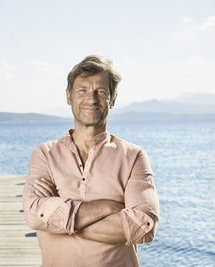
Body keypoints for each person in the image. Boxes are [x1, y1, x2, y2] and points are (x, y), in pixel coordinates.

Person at [22, 55, 159, 267]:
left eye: (101, 91)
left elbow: (143, 227)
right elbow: (33, 214)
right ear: (69, 97)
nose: (92, 99)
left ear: (112, 99)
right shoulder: (45, 154)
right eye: (82, 90)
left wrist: (58, 218)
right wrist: (108, 207)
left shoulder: (133, 156)